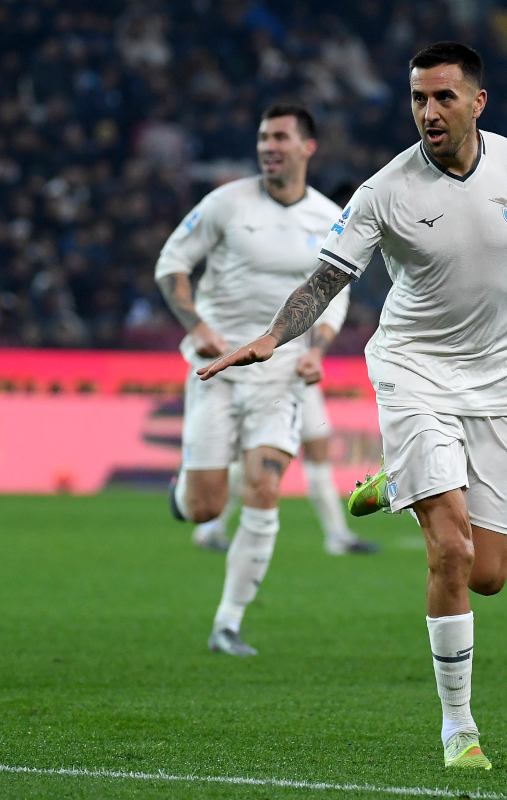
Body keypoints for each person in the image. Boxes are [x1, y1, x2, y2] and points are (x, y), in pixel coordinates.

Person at [197, 41, 507, 769]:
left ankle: (399, 484)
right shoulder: (384, 190)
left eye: (444, 96)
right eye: (418, 98)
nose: (429, 111)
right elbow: (325, 280)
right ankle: (459, 730)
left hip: (498, 376)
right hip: (413, 371)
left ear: (478, 101)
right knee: (451, 551)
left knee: (489, 573)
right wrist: (271, 337)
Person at [155, 103, 352, 657]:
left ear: (307, 147)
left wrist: (317, 349)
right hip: (216, 369)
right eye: (264, 137)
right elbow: (171, 265)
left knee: (264, 487)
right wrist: (197, 326)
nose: (269, 146)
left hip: (281, 376)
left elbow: (335, 293)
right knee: (205, 508)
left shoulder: (329, 218)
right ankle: (185, 493)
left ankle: (228, 623)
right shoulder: (225, 203)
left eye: (281, 137)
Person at [191, 380, 381, 556]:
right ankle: (211, 528)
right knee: (247, 460)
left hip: (303, 385)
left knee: (319, 453)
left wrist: (313, 358)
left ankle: (338, 535)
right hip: (268, 384)